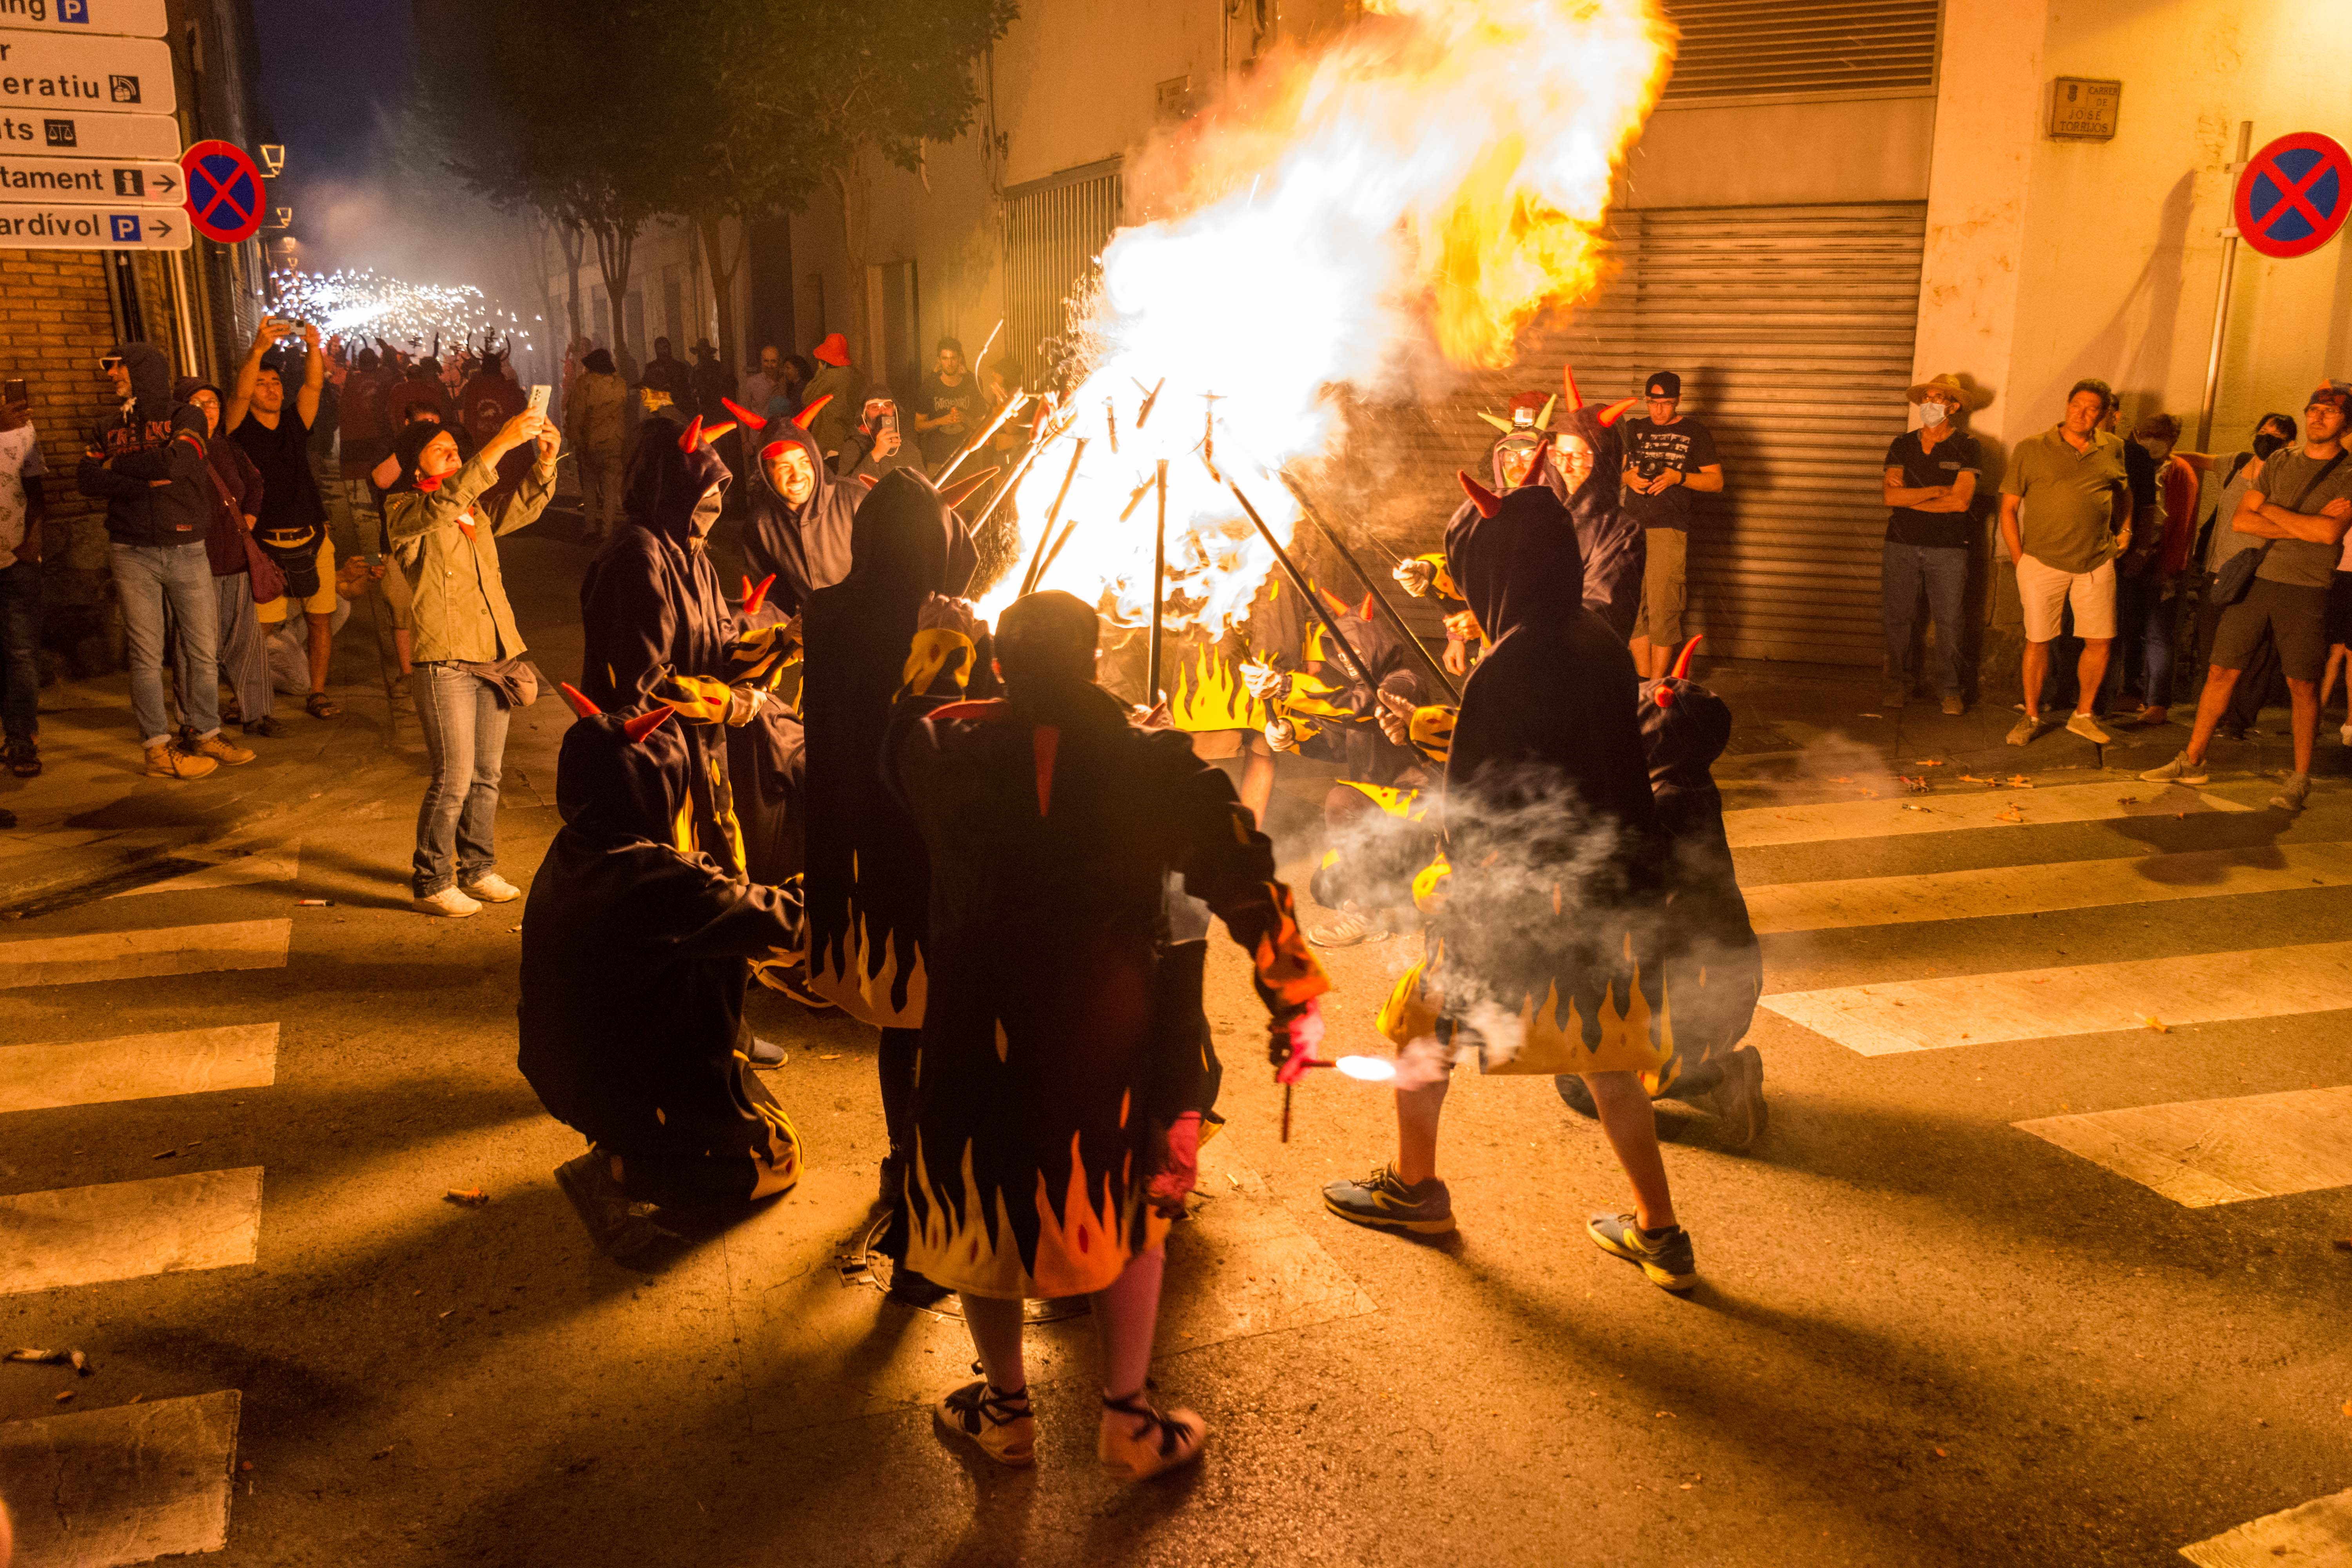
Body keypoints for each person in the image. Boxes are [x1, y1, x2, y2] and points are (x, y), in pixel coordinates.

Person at [886, 588, 1329, 1479]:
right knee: (1132, 1208)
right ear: (1095, 663)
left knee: (983, 1204)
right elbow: (1244, 874)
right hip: (1111, 1031)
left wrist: (944, 638)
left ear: (1002, 665)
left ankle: (1006, 1410)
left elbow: (904, 718)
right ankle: (1126, 1416)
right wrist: (1296, 998)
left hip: (980, 1029)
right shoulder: (1155, 765)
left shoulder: (941, 755)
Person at [1325, 461, 1736, 1294]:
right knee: (1606, 1053)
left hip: (1519, 897)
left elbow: (1475, 806)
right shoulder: (1596, 639)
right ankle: (1661, 1232)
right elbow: (1564, 762)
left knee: (1419, 1026)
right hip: (1604, 888)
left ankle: (1416, 1188)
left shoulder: (1510, 662)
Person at [519, 688, 806, 1263]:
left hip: (565, 1070)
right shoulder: (653, 879)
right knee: (778, 1161)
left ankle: (633, 1142)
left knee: (752, 1101)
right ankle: (624, 1170)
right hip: (619, 1080)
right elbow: (786, 923)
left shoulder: (581, 844)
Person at [801, 467, 987, 1305]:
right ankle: (926, 1216)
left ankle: (899, 1161)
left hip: (863, 848)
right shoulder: (942, 629)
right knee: (945, 1029)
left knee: (902, 1021)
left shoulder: (826, 608)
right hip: (932, 849)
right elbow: (956, 742)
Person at [383, 405, 561, 915]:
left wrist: (545, 465)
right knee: (453, 778)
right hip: (444, 663)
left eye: (456, 450)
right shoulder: (405, 510)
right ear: (416, 467)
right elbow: (444, 503)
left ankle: (478, 869)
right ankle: (432, 878)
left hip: (492, 657)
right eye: (442, 451)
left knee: (488, 774)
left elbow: (520, 510)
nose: (454, 456)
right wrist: (501, 442)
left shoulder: (474, 511)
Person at [2143, 384, 2352, 812]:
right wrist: (2303, 522)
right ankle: (2192, 758)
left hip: (2307, 587)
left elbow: (2330, 534)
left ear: (2346, 422)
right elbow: (2241, 519)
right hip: (2259, 579)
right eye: (2313, 410)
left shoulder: (2348, 474)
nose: (2318, 418)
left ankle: (2299, 777)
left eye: (2329, 413)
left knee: (2302, 684)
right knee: (2221, 669)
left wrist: (2273, 513)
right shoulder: (2279, 460)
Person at [79, 342, 250, 779]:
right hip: (130, 549)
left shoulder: (185, 416)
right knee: (146, 652)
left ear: (140, 370)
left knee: (201, 648)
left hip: (187, 546)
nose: (112, 377)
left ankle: (205, 731)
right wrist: (142, 483)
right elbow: (86, 477)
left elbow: (180, 461)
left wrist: (118, 465)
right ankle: (157, 746)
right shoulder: (106, 425)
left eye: (117, 369)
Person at [1999, 379, 2131, 746]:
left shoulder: (2114, 448)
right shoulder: (2032, 448)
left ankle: (2083, 714)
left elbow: (2124, 492)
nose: (2081, 414)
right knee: (2039, 640)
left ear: (2103, 415)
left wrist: (2127, 531)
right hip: (2042, 561)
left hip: (2096, 560)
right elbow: (2008, 508)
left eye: (2091, 409)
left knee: (2101, 640)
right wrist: (2019, 559)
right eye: (2076, 405)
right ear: (2067, 405)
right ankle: (2031, 715)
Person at [227, 321, 341, 722]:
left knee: (320, 618)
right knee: (262, 626)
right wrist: (257, 351)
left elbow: (312, 388)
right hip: (266, 544)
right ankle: (245, 697)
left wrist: (314, 346)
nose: (271, 388)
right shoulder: (238, 428)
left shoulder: (294, 421)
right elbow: (239, 395)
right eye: (262, 383)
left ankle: (318, 690)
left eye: (275, 382)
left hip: (310, 535)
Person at [174, 378, 276, 739]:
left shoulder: (228, 448)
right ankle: (193, 720)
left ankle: (257, 713)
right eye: (198, 403)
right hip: (193, 561)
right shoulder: (175, 450)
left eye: (213, 403)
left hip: (234, 557)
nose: (208, 410)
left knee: (246, 638)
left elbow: (256, 483)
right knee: (194, 644)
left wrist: (248, 517)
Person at [2188, 414, 2297, 740]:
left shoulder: (2286, 476)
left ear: (2290, 444)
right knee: (2211, 643)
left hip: (2258, 572)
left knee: (2253, 650)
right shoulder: (2237, 464)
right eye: (2262, 431)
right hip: (2218, 568)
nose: (2266, 438)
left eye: (2275, 435)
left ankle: (2239, 718)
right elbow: (2199, 460)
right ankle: (2213, 713)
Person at [1880, 373, 1981, 714]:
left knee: (1950, 619)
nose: (1929, 404)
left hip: (1949, 548)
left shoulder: (1968, 445)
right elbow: (1889, 496)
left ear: (1953, 406)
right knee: (1899, 617)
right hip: (1901, 544)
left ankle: (1950, 689)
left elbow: (1961, 502)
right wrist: (1936, 490)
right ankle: (1899, 684)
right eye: (1926, 398)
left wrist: (1909, 498)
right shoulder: (1902, 444)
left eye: (1938, 399)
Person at [1620, 370, 1723, 679]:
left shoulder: (1695, 432)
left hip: (1668, 528)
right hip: (1630, 529)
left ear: (1678, 400)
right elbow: (1612, 468)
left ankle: (1659, 682)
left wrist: (1677, 477)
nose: (1658, 410)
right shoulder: (1633, 429)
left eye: (1665, 403)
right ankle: (1643, 681)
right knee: (1634, 608)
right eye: (1653, 403)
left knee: (1664, 608)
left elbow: (1716, 482)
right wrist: (1628, 477)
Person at [2105, 412, 2198, 727]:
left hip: (2162, 562)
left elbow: (2182, 523)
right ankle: (2131, 692)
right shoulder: (2132, 463)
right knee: (2128, 630)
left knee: (2159, 636)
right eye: (2145, 433)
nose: (2151, 440)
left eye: (2160, 435)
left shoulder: (2181, 472)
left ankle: (2158, 701)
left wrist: (2170, 567)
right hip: (2131, 561)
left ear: (2173, 440)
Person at [0, 382, 46, 779]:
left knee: (19, 651)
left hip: (15, 558)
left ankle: (21, 737)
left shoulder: (24, 431)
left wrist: (33, 540)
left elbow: (37, 491)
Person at [565, 348, 629, 547]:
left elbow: (576, 416)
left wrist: (573, 439)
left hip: (590, 443)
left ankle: (590, 528)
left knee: (590, 488)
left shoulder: (584, 384)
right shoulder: (621, 384)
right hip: (614, 442)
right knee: (611, 489)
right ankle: (607, 531)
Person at [914, 337, 984, 473]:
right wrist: (940, 421)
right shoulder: (929, 386)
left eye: (953, 358)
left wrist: (965, 418)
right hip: (938, 461)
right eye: (945, 358)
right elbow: (918, 426)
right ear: (939, 360)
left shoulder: (972, 384)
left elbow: (982, 425)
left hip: (967, 458)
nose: (950, 363)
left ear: (960, 359)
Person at [802, 333, 866, 463]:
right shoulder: (857, 375)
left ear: (825, 360)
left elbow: (806, 398)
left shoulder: (832, 376)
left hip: (830, 443)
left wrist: (821, 371)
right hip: (852, 439)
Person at [740, 345, 783, 422]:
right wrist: (744, 434)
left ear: (780, 361)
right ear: (761, 361)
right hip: (758, 433)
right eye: (766, 361)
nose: (770, 365)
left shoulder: (786, 382)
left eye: (773, 361)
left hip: (780, 433)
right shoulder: (752, 383)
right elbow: (744, 414)